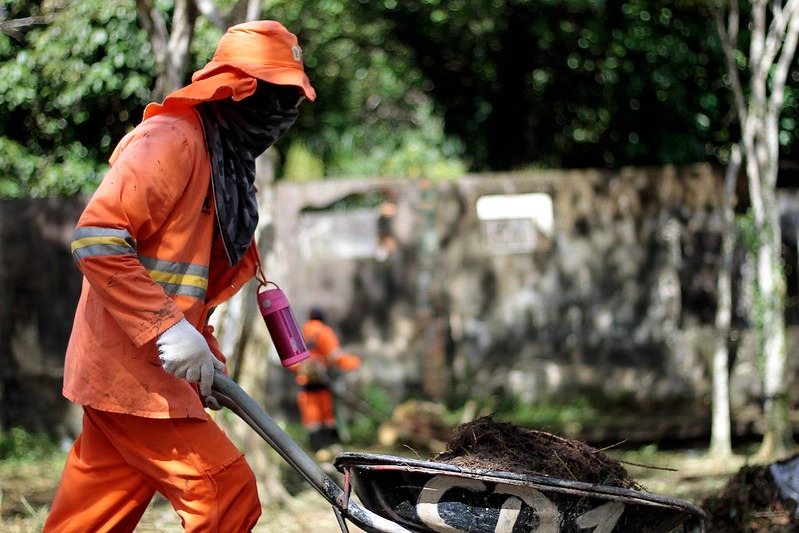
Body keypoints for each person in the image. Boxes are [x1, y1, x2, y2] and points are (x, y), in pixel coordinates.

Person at [43, 20, 315, 532]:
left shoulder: (224, 162)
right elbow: (97, 239)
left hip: (141, 372)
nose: (287, 112)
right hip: (135, 370)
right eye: (281, 96)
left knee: (88, 521)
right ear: (240, 90)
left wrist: (202, 347)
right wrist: (168, 329)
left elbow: (185, 278)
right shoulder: (172, 139)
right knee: (225, 495)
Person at [291, 308, 361, 453]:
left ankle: (316, 448)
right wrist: (354, 362)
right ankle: (330, 446)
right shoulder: (324, 332)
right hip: (322, 382)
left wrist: (302, 369)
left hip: (305, 383)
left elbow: (292, 361)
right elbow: (335, 357)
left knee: (311, 417)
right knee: (327, 415)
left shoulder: (300, 333)